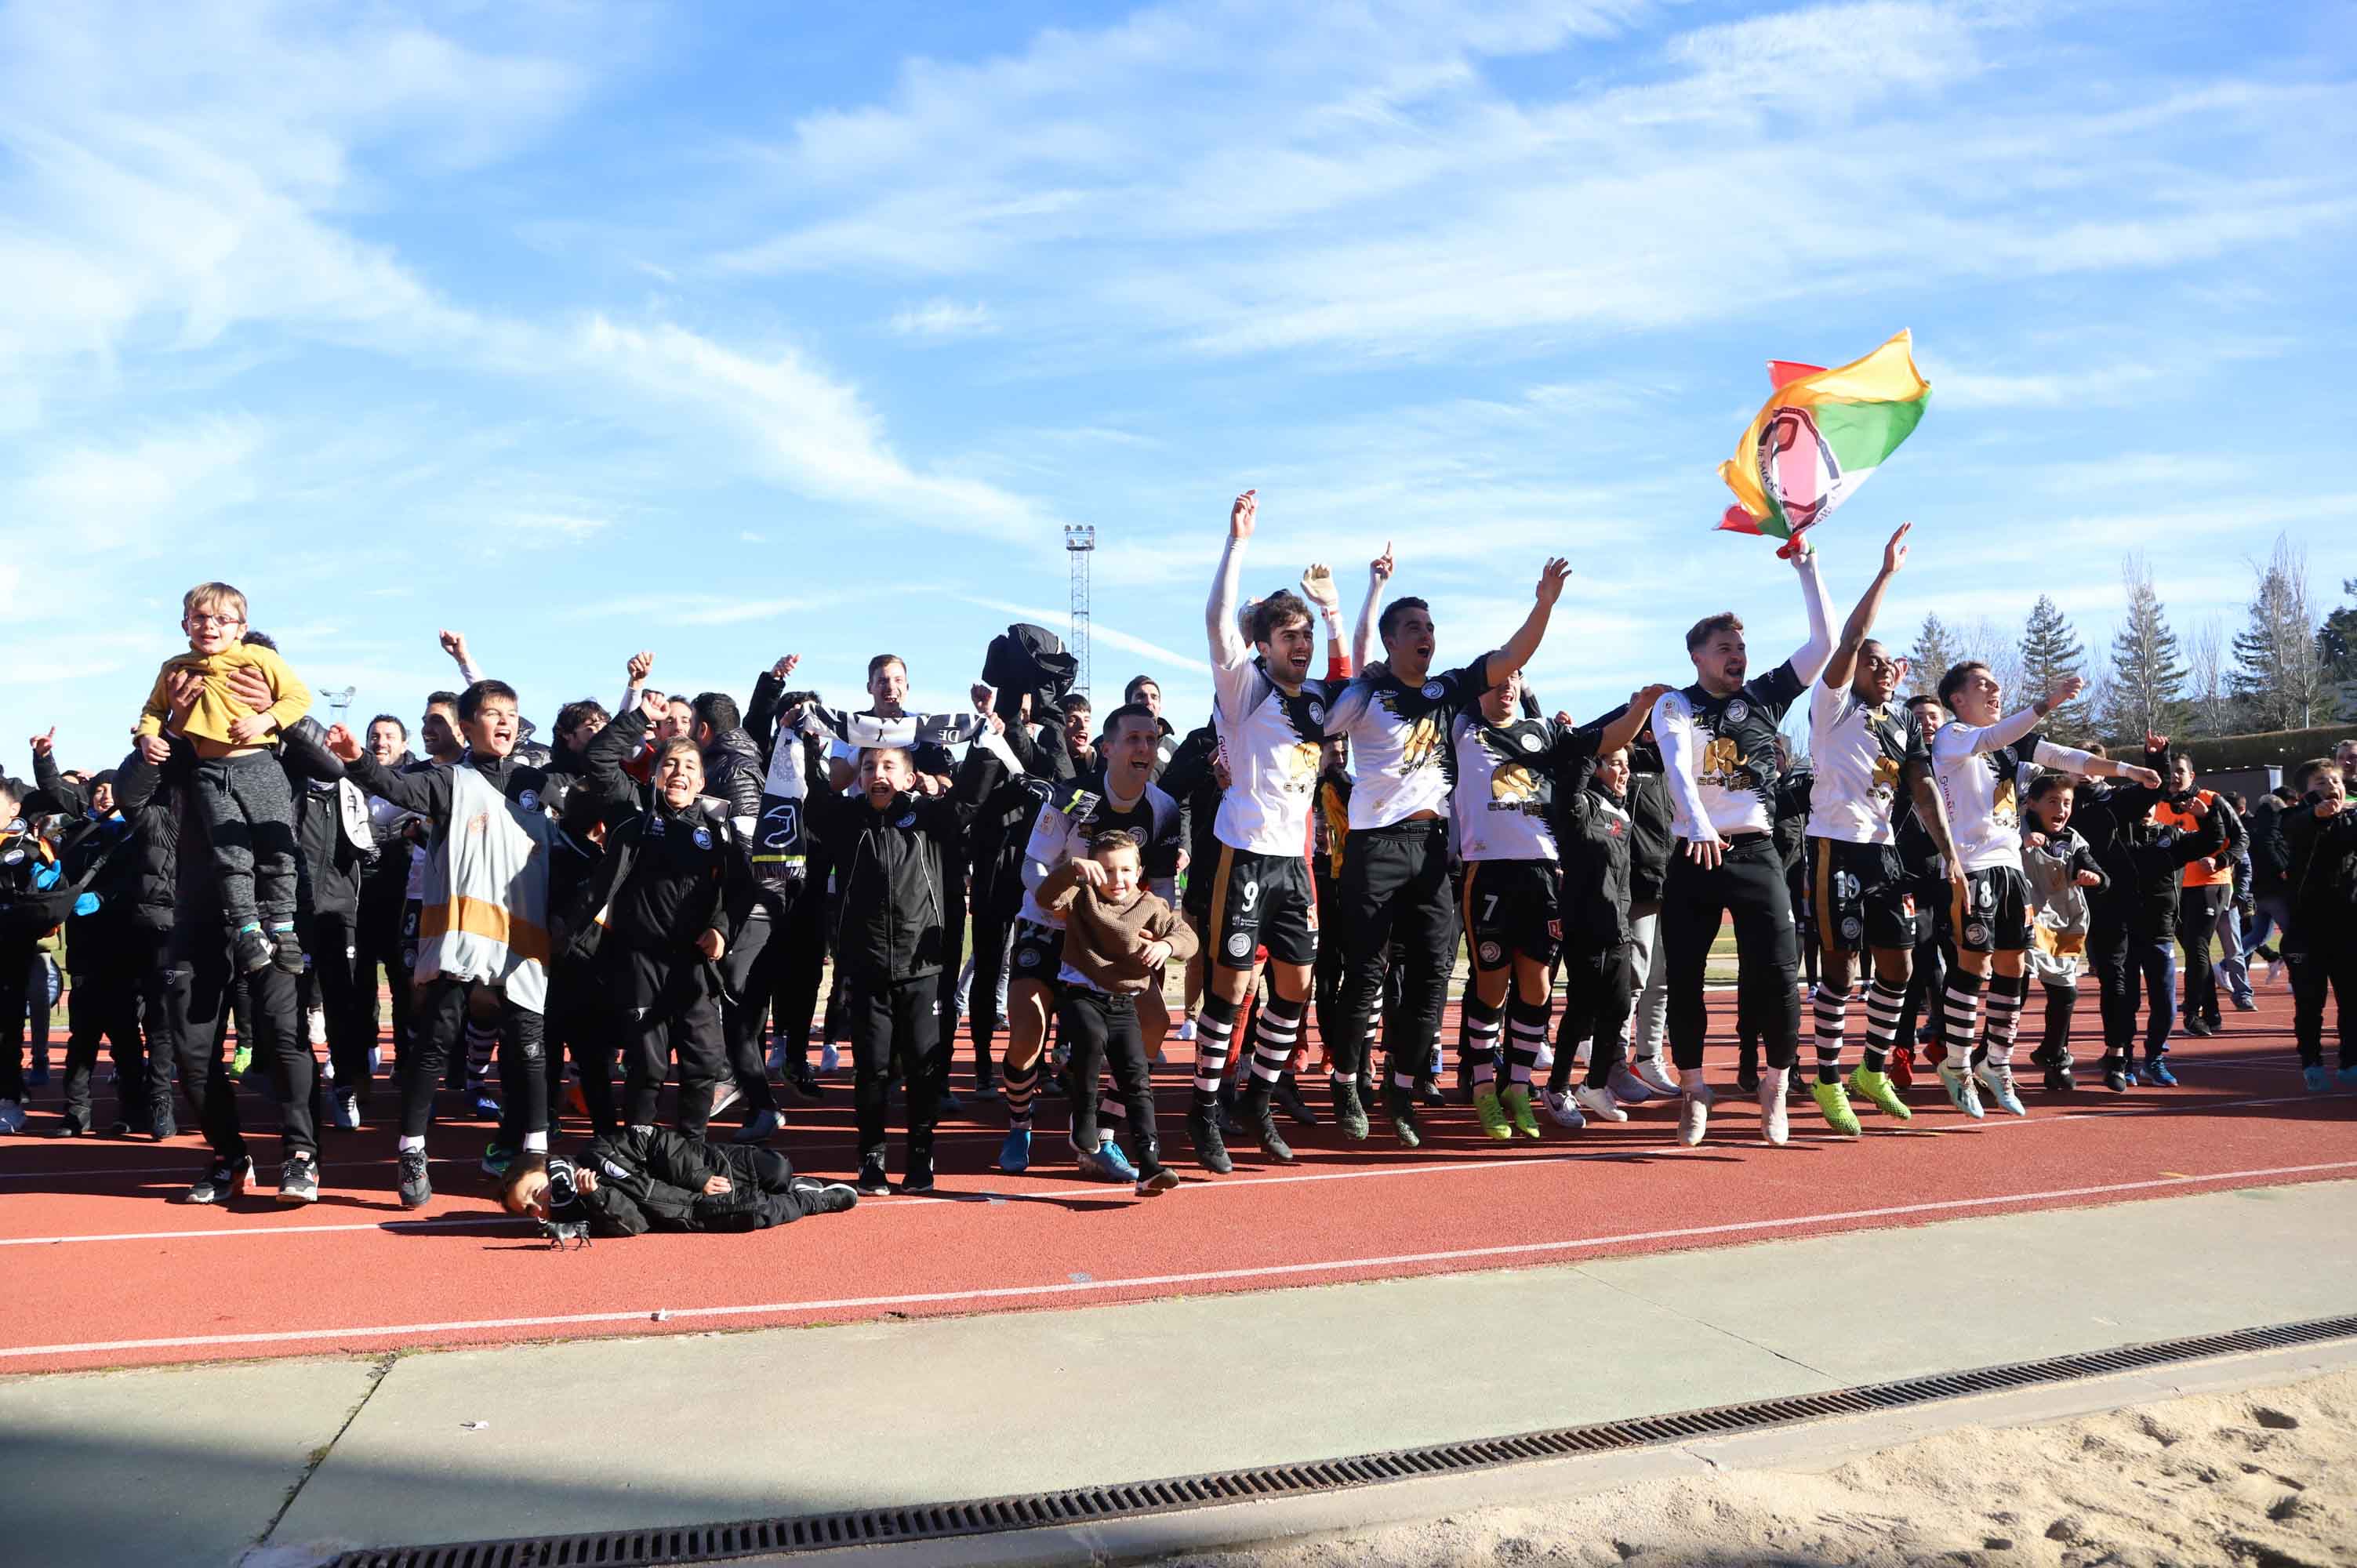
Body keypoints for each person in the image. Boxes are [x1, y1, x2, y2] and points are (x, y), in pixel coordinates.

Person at [1327, 542, 1571, 1145]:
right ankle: (1347, 1081)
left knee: (1434, 974)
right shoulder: (1366, 695)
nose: (1425, 635)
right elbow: (1324, 721)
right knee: (1365, 973)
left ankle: (1402, 1091)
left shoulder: (1448, 691)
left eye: (1430, 627)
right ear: (1391, 641)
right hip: (1375, 847)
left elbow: (1515, 653)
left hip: (1434, 851)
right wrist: (1358, 616)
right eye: (1413, 627)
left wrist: (1543, 604)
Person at [326, 680, 563, 1208]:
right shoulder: (448, 781)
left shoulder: (536, 784)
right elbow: (395, 788)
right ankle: (412, 1149)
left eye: (511, 714)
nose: (503, 722)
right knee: (435, 1043)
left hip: (523, 939)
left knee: (530, 1051)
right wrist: (358, 759)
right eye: (492, 713)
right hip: (460, 935)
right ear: (467, 726)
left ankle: (535, 1151)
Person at [1650, 535, 1835, 1146]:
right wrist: (1696, 817)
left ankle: (1775, 1087)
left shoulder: (1764, 697)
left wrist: (1809, 571)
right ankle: (1694, 1089)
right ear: (1698, 656)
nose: (1738, 655)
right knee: (1687, 978)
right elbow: (1677, 761)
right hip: (1694, 851)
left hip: (1755, 852)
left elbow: (1824, 647)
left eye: (1742, 647)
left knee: (1779, 973)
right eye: (1724, 647)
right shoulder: (1676, 703)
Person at [1193, 490, 1349, 1171]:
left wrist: (1336, 615)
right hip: (1247, 858)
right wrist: (1238, 542)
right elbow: (1216, 617)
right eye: (1289, 636)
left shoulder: (1316, 700)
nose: (1302, 646)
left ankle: (1257, 1099)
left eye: (1305, 636)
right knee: (1230, 990)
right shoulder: (1244, 689)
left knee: (1296, 986)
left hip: (1297, 863)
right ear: (1263, 645)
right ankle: (1205, 1111)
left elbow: (1356, 684)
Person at [1930, 664, 2158, 1116]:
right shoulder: (1952, 735)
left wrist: (2128, 769)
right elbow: (1993, 738)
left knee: (2014, 966)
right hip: (1971, 867)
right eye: (1983, 685)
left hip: (2011, 868)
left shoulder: (2011, 744)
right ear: (1957, 698)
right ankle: (1956, 1065)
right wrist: (2046, 702)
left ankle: (1996, 1063)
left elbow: (2068, 759)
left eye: (1996, 684)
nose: (1995, 690)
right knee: (1974, 966)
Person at [801, 709, 1011, 1195]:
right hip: (866, 964)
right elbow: (813, 798)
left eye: (889, 767)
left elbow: (969, 798)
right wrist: (807, 744)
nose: (879, 777)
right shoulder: (846, 819)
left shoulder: (932, 819)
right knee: (872, 1068)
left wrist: (985, 744)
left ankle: (921, 1153)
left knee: (923, 1066)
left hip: (923, 966)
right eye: (871, 767)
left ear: (908, 774)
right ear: (859, 774)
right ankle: (870, 1158)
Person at [1800, 524, 1964, 1134]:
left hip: (1885, 856)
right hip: (1834, 850)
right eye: (1874, 662)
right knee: (1840, 973)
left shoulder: (1901, 726)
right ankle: (1826, 1079)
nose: (1885, 668)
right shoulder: (1833, 707)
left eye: (1891, 663)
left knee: (1898, 968)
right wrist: (1887, 572)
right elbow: (1851, 636)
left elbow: (1923, 791)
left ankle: (1871, 1068)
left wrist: (1950, 856)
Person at [997, 702, 1179, 1177]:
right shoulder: (1074, 796)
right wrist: (1056, 892)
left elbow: (1160, 884)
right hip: (1049, 927)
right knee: (1028, 1031)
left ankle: (1102, 1139)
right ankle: (1020, 1125)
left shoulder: (1162, 808)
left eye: (1151, 740)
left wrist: (1153, 934)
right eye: (1134, 739)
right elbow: (1032, 864)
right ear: (1108, 748)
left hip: (1110, 940)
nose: (1145, 748)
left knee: (1153, 1024)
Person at [575, 693, 758, 1144]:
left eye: (690, 768)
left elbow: (741, 890)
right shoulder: (633, 811)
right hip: (640, 963)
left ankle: (691, 1150)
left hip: (695, 968)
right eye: (671, 766)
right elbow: (600, 757)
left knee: (703, 1063)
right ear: (657, 774)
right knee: (648, 1064)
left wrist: (720, 928)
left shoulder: (719, 830)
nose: (679, 774)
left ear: (701, 781)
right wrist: (640, 718)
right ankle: (638, 1147)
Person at [133, 582, 313, 975]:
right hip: (210, 773)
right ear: (185, 625)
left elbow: (298, 698)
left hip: (260, 766)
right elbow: (152, 710)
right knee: (232, 856)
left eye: (222, 619)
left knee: (278, 849)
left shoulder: (260, 658)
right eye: (199, 618)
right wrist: (148, 736)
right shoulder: (175, 668)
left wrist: (266, 718)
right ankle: (247, 929)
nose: (209, 626)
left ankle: (284, 928)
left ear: (241, 627)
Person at [1038, 830, 1197, 1194]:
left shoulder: (1151, 905)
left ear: (1139, 870)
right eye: (1108, 870)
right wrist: (1071, 869)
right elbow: (1046, 897)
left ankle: (1151, 1165)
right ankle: (1085, 1123)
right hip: (1081, 996)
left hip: (1124, 1003)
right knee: (1091, 1040)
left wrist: (1167, 946)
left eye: (1126, 870)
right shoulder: (1082, 895)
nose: (1117, 879)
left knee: (1137, 1079)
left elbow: (1188, 940)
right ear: (1095, 870)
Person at [502, 1129, 855, 1239]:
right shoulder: (585, 1214)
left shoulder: (597, 1151)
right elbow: (635, 1224)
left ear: (549, 1169)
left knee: (778, 1170)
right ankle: (812, 1199)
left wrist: (699, 1177)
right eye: (529, 1210)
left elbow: (656, 1141)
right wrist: (597, 1196)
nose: (538, 1208)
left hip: (706, 1168)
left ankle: (793, 1184)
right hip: (690, 1211)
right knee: (759, 1210)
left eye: (535, 1193)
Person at [2021, 772, 2108, 1091]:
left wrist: (2093, 877)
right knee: (2014, 991)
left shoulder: (2072, 840)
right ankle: (1989, 1057)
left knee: (2065, 993)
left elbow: (2097, 871)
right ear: (2032, 804)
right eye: (2053, 801)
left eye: (2067, 802)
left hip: (2062, 925)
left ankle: (2053, 1056)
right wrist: (2022, 839)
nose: (2061, 808)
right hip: (2025, 919)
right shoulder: (2017, 832)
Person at [2151, 752, 2246, 1036]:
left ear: (2192, 776)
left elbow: (2242, 838)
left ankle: (2192, 1014)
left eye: (2181, 771)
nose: (2176, 776)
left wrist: (2221, 860)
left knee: (2197, 946)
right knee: (2194, 951)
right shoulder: (2158, 805)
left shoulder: (2211, 799)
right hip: (2176, 888)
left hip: (2211, 883)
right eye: (2171, 771)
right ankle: (2212, 1013)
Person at [2282, 757, 2355, 1091]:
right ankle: (2311, 1062)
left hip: (2348, 927)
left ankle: (2351, 1061)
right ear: (2304, 793)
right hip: (2305, 930)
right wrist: (2316, 815)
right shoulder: (2293, 818)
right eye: (2320, 784)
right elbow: (2293, 828)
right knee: (2310, 1003)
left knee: (2352, 999)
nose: (2330, 789)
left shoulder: (2352, 819)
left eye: (2334, 782)